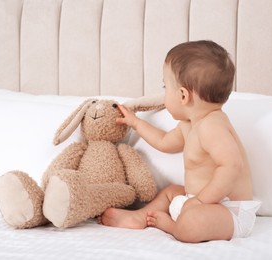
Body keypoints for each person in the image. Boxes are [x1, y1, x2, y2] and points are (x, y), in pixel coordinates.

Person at [98, 40, 261, 243]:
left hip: (229, 211)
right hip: (196, 201)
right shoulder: (189, 124)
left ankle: (175, 227)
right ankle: (141, 216)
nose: (164, 93)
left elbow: (231, 165)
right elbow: (164, 141)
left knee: (193, 221)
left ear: (183, 95)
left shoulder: (213, 126)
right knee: (170, 192)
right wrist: (135, 123)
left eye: (166, 87)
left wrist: (201, 201)